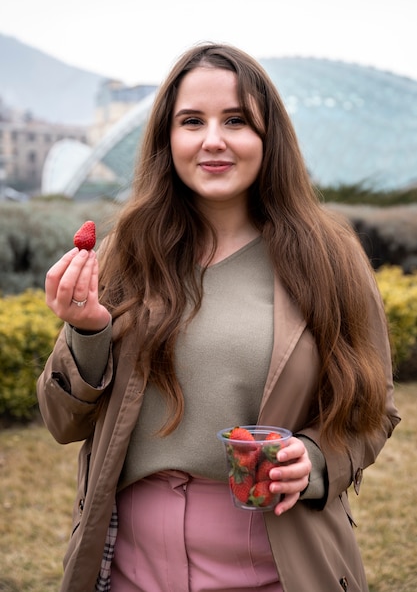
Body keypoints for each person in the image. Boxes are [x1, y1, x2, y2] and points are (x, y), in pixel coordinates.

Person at [37, 42, 400, 592]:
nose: (213, 140)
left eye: (236, 120)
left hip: (278, 560)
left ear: (268, 136)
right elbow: (63, 422)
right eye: (191, 121)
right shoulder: (124, 253)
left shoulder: (330, 258)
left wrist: (319, 462)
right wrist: (88, 331)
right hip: (128, 564)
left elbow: (374, 412)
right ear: (168, 138)